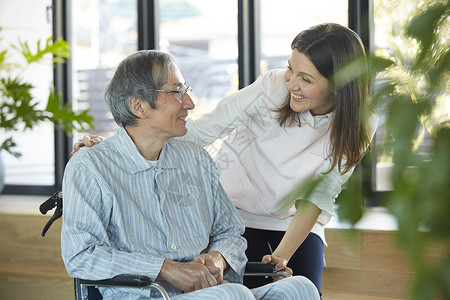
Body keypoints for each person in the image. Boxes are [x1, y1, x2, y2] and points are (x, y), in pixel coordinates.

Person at [73, 23, 378, 296]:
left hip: (292, 219)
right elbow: (208, 127)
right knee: (236, 292)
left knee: (301, 289)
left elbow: (319, 195)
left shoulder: (360, 122)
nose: (290, 83)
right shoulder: (273, 87)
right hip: (238, 210)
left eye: (305, 79)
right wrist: (119, 144)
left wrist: (280, 258)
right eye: (290, 69)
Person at [61, 49, 320, 300]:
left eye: (186, 90)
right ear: (138, 106)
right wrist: (165, 268)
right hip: (146, 296)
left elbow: (229, 231)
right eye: (176, 92)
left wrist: (218, 257)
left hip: (212, 293)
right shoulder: (90, 167)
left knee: (298, 289)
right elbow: (81, 255)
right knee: (232, 295)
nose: (190, 103)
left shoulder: (195, 159)